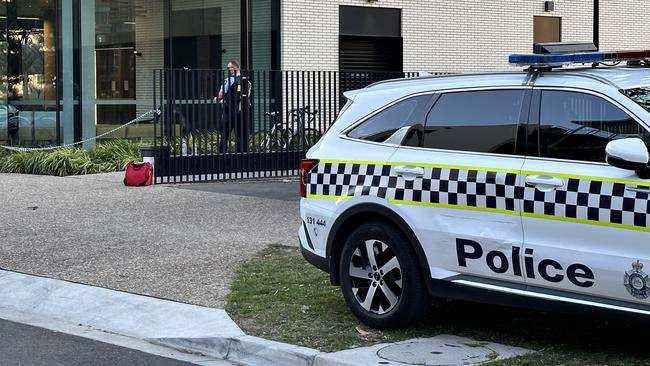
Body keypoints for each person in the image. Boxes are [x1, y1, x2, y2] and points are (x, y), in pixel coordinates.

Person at [216, 60, 248, 153]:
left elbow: (221, 95)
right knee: (240, 137)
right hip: (241, 113)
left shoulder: (229, 80)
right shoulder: (245, 80)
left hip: (229, 112)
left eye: (228, 68)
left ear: (235, 68)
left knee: (224, 135)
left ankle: (222, 155)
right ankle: (240, 156)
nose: (228, 70)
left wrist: (216, 98)